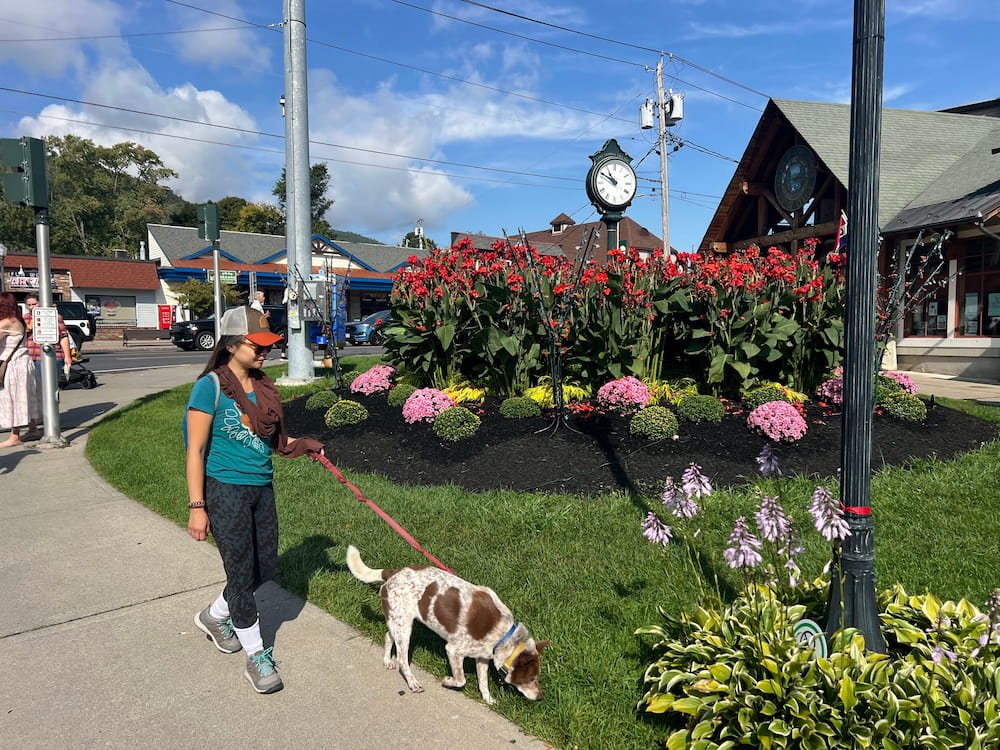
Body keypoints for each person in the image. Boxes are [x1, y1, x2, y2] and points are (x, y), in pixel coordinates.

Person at [184, 305, 324, 694]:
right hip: (224, 489)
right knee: (241, 575)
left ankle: (214, 616)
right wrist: (198, 508)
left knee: (265, 568)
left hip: (262, 487)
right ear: (231, 345)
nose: (265, 351)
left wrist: (305, 445)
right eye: (256, 345)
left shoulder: (263, 386)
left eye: (268, 345)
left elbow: (276, 441)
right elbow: (194, 451)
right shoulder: (210, 387)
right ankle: (257, 656)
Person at [23, 294, 73, 436]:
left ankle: (50, 418)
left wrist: (67, 356)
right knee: (34, 390)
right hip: (32, 356)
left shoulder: (55, 317)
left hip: (52, 356)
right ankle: (38, 418)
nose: (32, 307)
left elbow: (63, 336)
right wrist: (29, 327)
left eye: (35, 304)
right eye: (30, 305)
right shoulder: (26, 318)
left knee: (49, 389)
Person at [0, 292, 39, 448]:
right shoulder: (19, 320)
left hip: (13, 366)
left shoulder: (6, 323)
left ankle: (14, 435)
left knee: (13, 398)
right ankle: (33, 428)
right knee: (26, 396)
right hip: (23, 364)